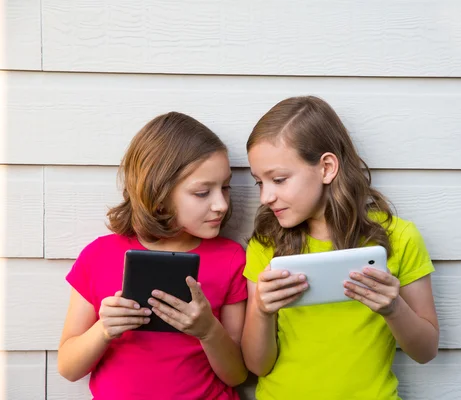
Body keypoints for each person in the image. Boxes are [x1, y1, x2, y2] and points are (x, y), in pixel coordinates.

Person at [241, 96, 439, 400]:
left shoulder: (399, 238)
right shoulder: (266, 244)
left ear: (326, 168)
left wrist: (393, 308)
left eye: (279, 180)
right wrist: (262, 311)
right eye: (259, 183)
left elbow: (426, 351)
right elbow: (258, 366)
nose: (266, 196)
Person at [57, 112, 248, 400]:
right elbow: (68, 368)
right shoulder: (100, 255)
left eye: (225, 188)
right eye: (202, 193)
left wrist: (208, 330)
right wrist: (105, 329)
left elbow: (237, 374)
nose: (220, 204)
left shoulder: (230, 258)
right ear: (159, 195)